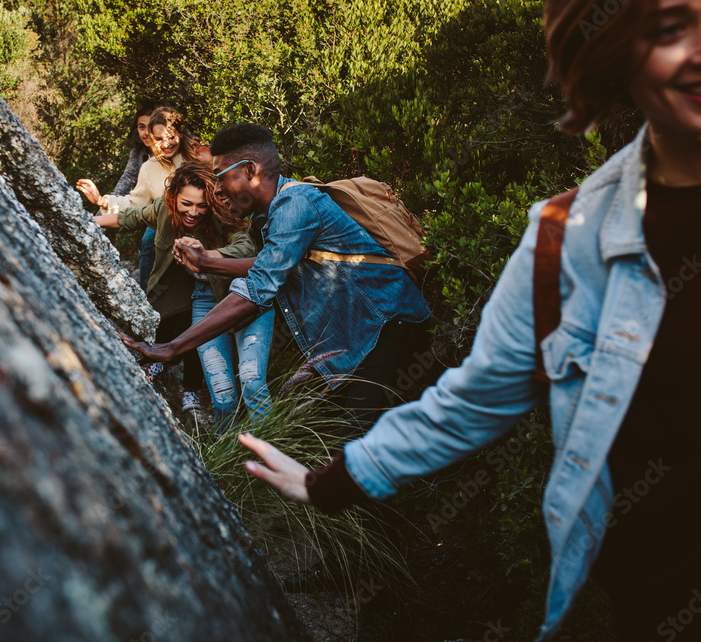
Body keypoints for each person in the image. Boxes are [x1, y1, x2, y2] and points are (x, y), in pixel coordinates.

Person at [237, 0, 701, 639]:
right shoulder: (568, 241)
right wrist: (329, 484)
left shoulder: (298, 204)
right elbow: (471, 402)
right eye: (675, 28)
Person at [120, 123, 431, 426]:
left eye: (221, 177)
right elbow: (270, 263)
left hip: (388, 325)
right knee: (335, 436)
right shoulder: (276, 212)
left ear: (251, 172)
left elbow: (257, 289)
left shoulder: (294, 207)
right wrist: (205, 263)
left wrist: (173, 347)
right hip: (364, 335)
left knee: (355, 440)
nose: (217, 189)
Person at [97, 162, 265, 427]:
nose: (193, 212)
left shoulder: (220, 217)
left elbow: (245, 247)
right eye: (186, 203)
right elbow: (131, 217)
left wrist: (207, 255)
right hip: (190, 293)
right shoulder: (164, 210)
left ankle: (195, 393)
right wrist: (87, 221)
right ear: (173, 196)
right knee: (179, 329)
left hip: (228, 296)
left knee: (244, 375)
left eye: (202, 205)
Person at [111, 101, 161, 290]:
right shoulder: (139, 154)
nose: (146, 133)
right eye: (141, 127)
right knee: (108, 219)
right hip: (149, 208)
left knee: (149, 242)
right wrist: (106, 203)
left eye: (151, 127)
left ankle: (148, 294)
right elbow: (125, 182)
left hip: (168, 207)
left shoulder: (170, 148)